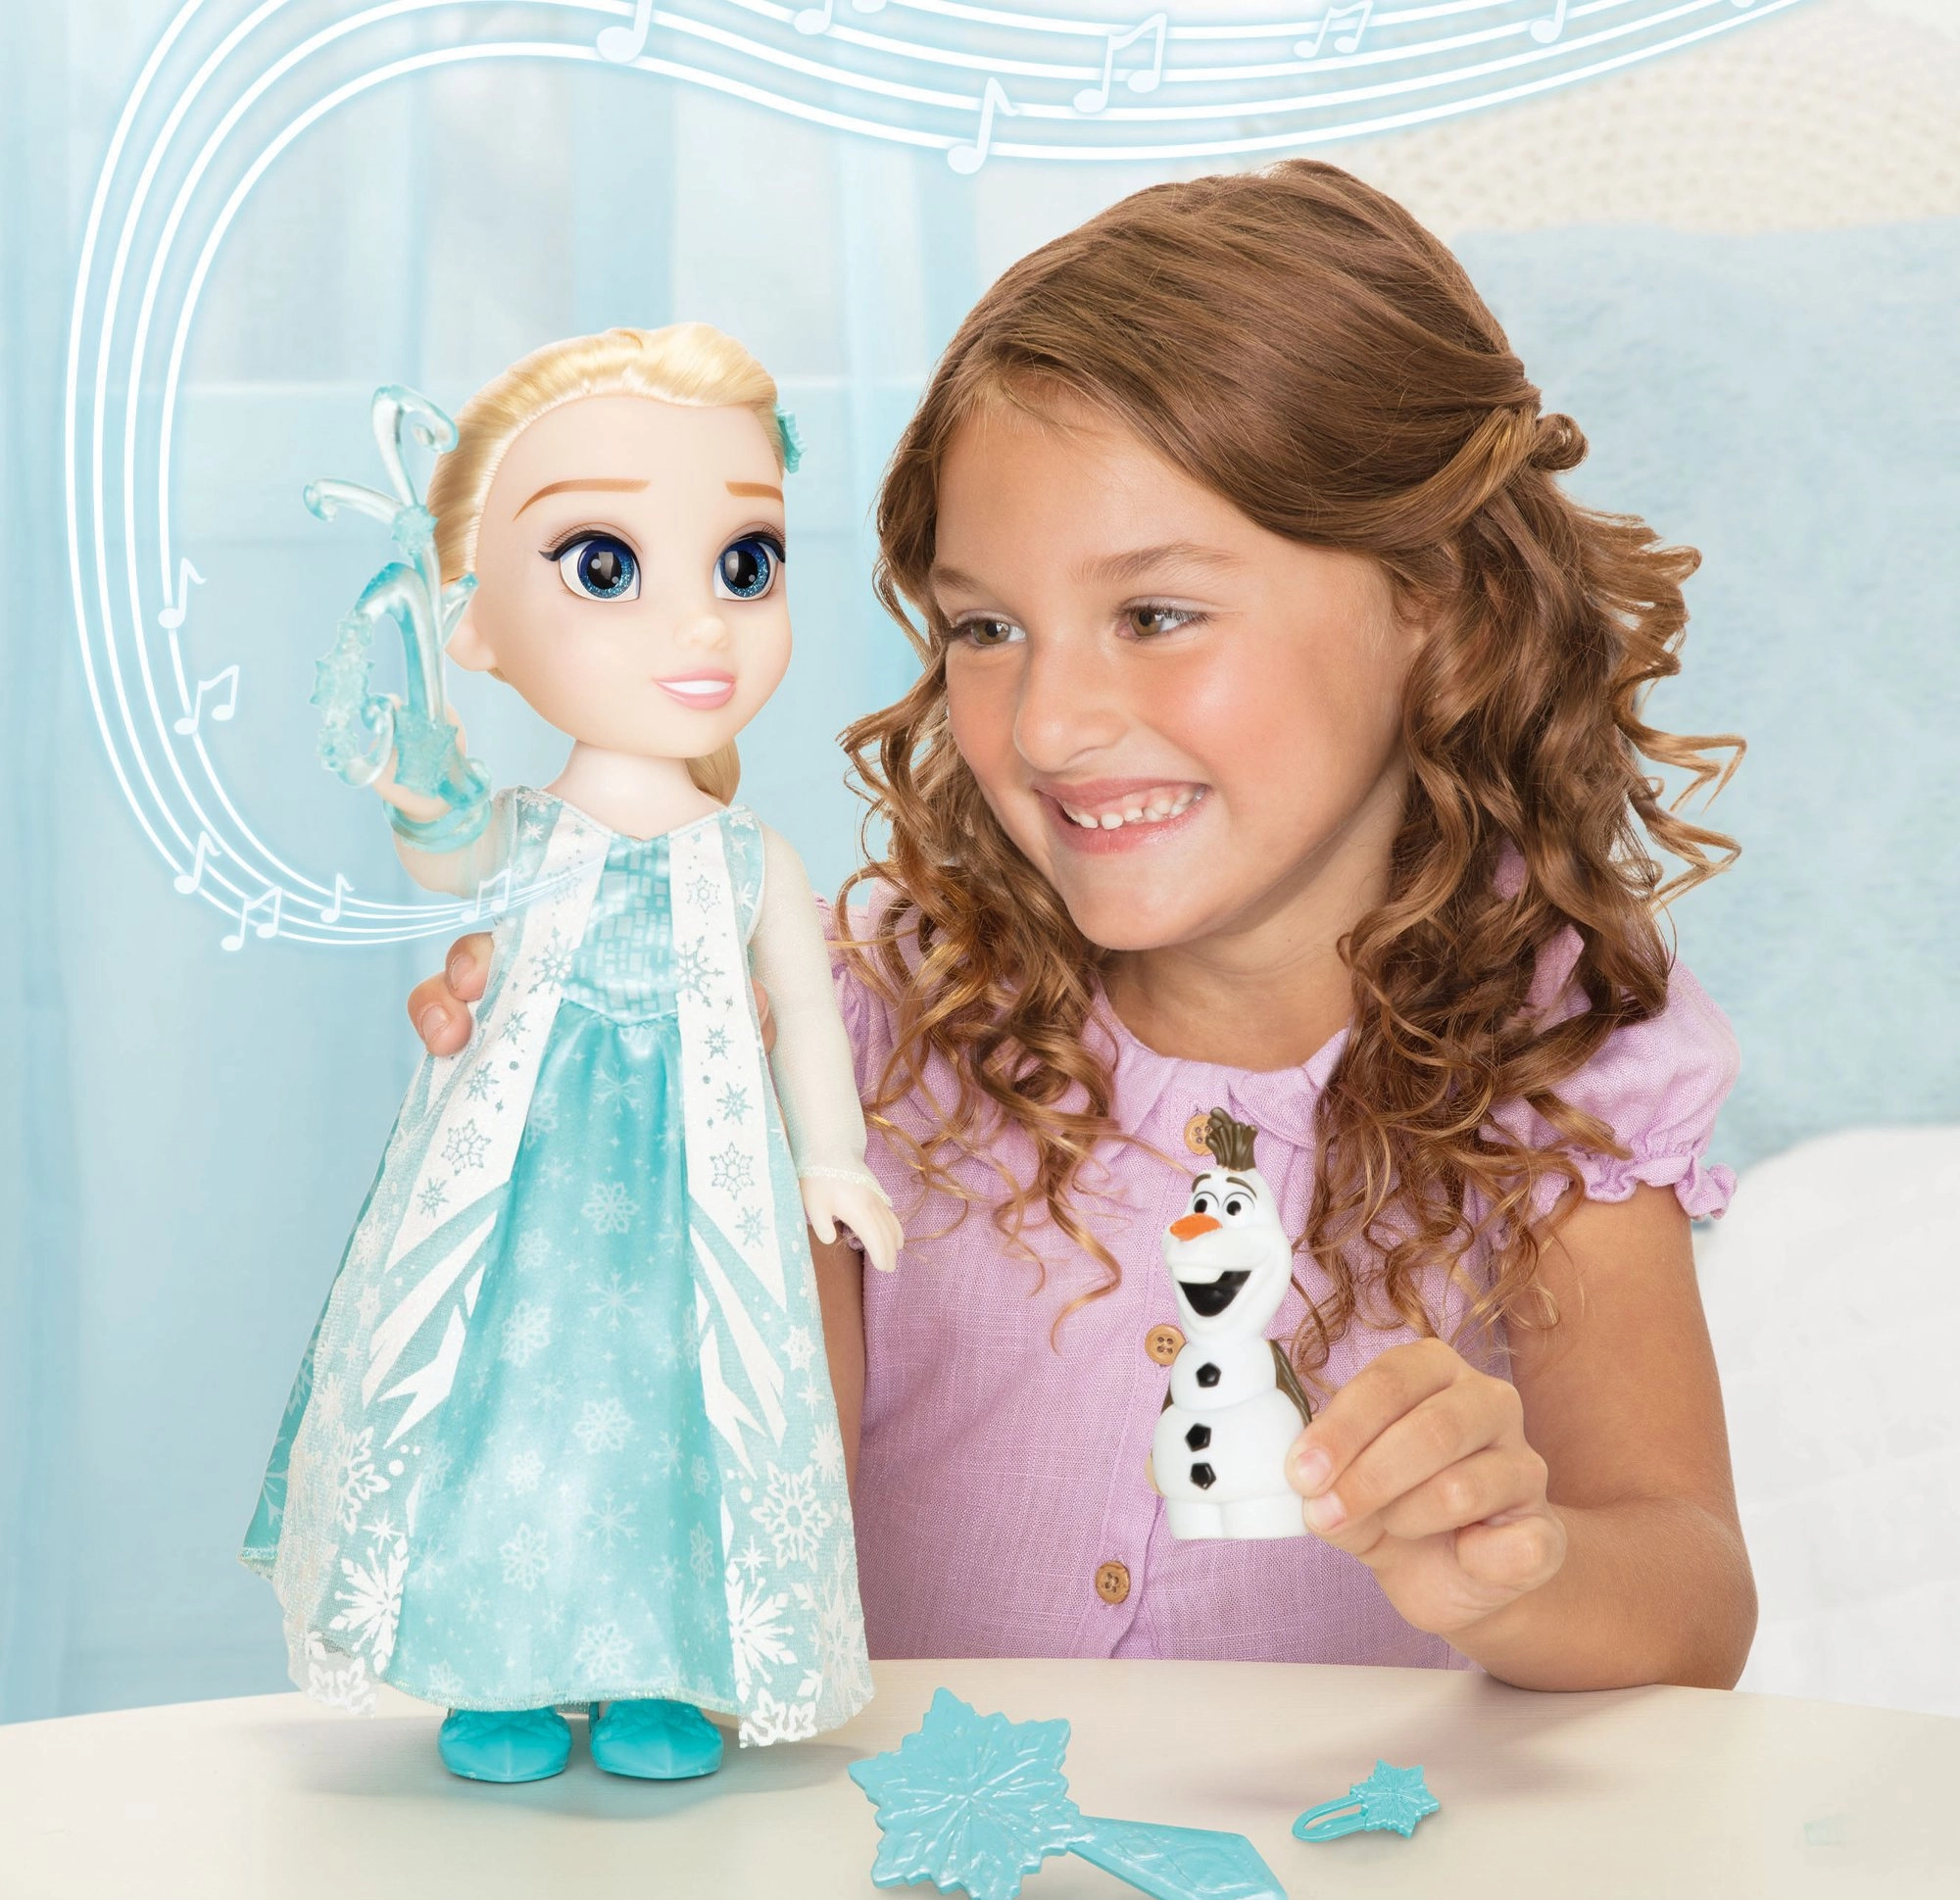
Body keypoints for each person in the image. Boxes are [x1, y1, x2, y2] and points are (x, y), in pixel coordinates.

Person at [404, 163, 1756, 1691]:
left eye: (1156, 615)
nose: (1047, 722)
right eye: (986, 629)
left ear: (1436, 599)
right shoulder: (870, 1035)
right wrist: (628, 1121)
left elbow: (1691, 1602)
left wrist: (1523, 1566)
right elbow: (737, 1516)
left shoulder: (1560, 1060)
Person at [244, 325, 899, 1783]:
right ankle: (501, 1667)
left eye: (744, 564)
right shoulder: (528, 834)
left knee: (679, 1423)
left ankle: (661, 1667)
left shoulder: (754, 857)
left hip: (702, 1210)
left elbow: (806, 1022)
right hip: (518, 1203)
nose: (701, 626)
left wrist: (834, 1161)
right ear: (476, 625)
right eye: (607, 567)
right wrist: (418, 780)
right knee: (512, 1419)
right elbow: (444, 847)